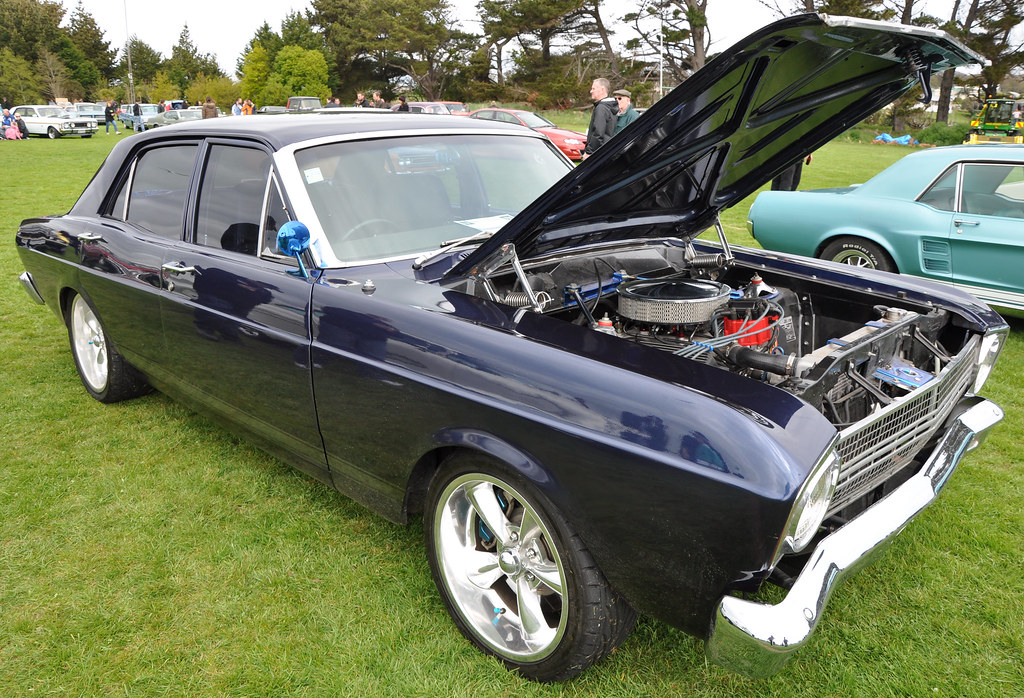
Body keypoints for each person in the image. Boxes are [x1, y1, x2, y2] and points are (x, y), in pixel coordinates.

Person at [583, 78, 617, 159]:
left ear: (602, 90)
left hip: (598, 153)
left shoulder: (601, 108)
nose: (591, 91)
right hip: (606, 151)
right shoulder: (609, 107)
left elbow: (598, 132)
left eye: (593, 88)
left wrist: (589, 152)